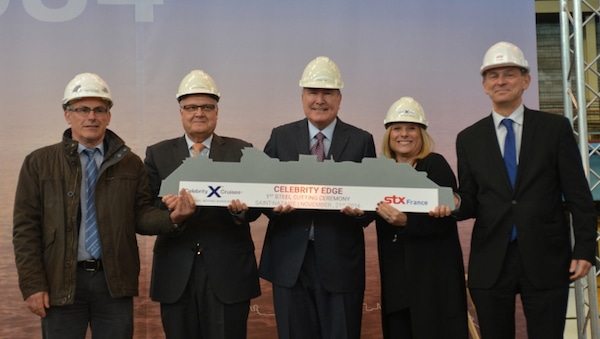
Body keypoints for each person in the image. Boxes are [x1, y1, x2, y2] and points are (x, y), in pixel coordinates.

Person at [12, 72, 196, 339]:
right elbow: (25, 230)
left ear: (109, 116)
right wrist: (32, 285)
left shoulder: (130, 163)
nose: (91, 117)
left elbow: (141, 216)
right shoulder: (38, 163)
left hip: (114, 283)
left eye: (100, 109)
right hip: (60, 284)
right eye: (82, 109)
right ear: (67, 114)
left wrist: (173, 219)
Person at [455, 41, 597, 339]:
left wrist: (585, 248)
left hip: (546, 259)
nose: (501, 81)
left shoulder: (555, 129)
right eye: (493, 75)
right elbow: (469, 201)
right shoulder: (469, 138)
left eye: (509, 74)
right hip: (491, 262)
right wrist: (449, 203)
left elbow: (578, 195)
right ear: (484, 85)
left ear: (526, 81)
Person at [259, 56, 376, 339]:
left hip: (340, 263)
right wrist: (272, 207)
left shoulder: (361, 140)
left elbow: (372, 203)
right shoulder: (280, 137)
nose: (320, 100)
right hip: (290, 263)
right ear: (302, 96)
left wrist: (360, 211)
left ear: (339, 97)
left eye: (327, 93)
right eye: (313, 92)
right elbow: (259, 189)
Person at [144, 69, 261, 339]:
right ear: (181, 112)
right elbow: (144, 212)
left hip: (228, 275)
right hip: (176, 275)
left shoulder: (242, 151)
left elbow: (258, 205)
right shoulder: (158, 154)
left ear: (217, 112)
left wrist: (242, 211)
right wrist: (172, 216)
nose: (199, 112)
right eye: (191, 107)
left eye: (207, 106)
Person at [374, 97, 469, 339]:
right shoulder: (381, 172)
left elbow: (446, 219)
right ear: (388, 134)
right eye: (397, 128)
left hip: (434, 283)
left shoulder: (435, 165)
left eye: (411, 128)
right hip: (398, 283)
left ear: (422, 133)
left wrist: (407, 222)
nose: (403, 134)